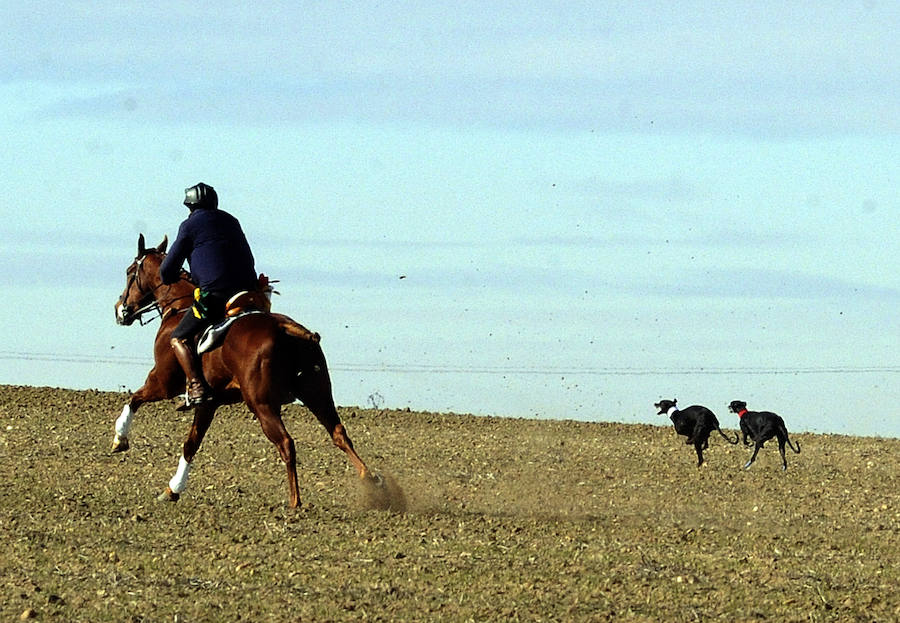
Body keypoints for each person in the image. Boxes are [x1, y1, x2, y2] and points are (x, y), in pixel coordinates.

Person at [159, 182, 258, 404]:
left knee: (178, 337)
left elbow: (167, 268)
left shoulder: (189, 225)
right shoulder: (232, 221)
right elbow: (249, 258)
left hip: (215, 295)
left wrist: (168, 276)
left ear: (190, 206)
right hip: (248, 294)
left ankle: (196, 387)